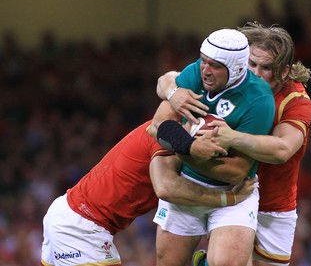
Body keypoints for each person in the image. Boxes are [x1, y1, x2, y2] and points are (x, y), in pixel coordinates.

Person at [157, 22, 311, 266]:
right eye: (251, 64)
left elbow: (282, 149)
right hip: (217, 186)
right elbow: (168, 79)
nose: (256, 73)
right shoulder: (224, 79)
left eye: (266, 68)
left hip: (272, 204)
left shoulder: (296, 101)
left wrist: (232, 137)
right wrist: (172, 92)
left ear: (284, 72)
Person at [39, 101, 257, 266]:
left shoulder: (170, 130)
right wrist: (228, 198)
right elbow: (166, 187)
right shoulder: (166, 138)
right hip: (81, 228)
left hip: (69, 213)